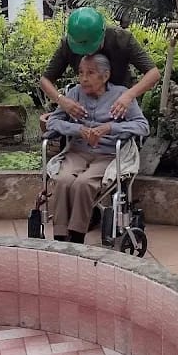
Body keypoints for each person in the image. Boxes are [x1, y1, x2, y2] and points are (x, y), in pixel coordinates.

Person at [45, 54, 150, 243]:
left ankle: (77, 236)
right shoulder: (75, 93)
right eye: (81, 73)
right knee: (63, 180)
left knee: (83, 183)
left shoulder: (121, 95)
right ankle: (60, 236)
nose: (83, 78)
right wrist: (78, 129)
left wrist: (111, 127)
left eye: (90, 73)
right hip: (78, 151)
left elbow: (142, 126)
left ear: (105, 76)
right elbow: (53, 121)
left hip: (107, 154)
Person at [40, 7, 161, 122]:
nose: (87, 52)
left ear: (102, 34)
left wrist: (129, 95)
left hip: (119, 100)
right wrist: (62, 101)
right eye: (81, 49)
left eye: (91, 47)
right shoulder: (68, 44)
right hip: (86, 101)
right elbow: (45, 80)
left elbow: (153, 73)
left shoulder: (122, 39)